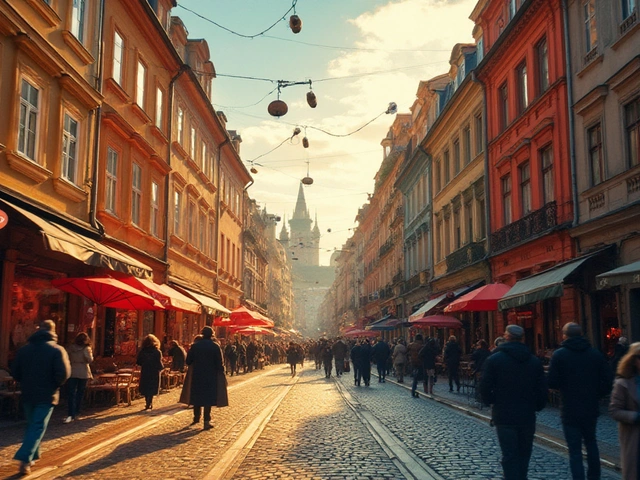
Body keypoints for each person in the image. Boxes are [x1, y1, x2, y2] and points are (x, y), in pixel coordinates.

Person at [480, 324, 547, 480]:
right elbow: (543, 390)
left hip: (503, 415)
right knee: (524, 455)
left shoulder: (495, 359)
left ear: (506, 337)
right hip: (527, 415)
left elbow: (484, 386)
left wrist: (491, 402)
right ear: (522, 339)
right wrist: (536, 406)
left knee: (509, 455)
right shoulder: (534, 361)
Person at [548, 323, 612, 480]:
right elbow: (608, 380)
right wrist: (597, 394)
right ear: (582, 334)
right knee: (591, 443)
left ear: (565, 335)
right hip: (590, 406)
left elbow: (552, 382)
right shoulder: (594, 354)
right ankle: (594, 477)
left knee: (574, 450)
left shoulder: (559, 355)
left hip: (569, 407)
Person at [12, 320, 71, 476]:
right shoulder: (57, 350)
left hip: (28, 393)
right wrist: (54, 384)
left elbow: (15, 372)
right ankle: (25, 459)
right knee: (37, 426)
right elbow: (64, 374)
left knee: (32, 424)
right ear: (53, 331)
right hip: (47, 394)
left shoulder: (24, 350)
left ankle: (33, 456)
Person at [609, 342, 640, 480]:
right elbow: (615, 410)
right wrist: (635, 417)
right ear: (633, 360)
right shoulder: (623, 383)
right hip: (634, 437)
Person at [186, 326, 226, 430]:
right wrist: (222, 374)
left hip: (197, 375)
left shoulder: (195, 346)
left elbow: (188, 361)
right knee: (208, 398)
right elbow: (220, 364)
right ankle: (206, 421)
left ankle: (196, 417)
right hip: (210, 376)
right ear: (212, 334)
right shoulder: (215, 346)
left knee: (197, 396)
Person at [64, 332, 93, 424]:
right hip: (83, 371)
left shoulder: (71, 348)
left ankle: (70, 413)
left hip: (72, 371)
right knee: (80, 393)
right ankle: (77, 412)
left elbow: (66, 358)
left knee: (71, 393)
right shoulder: (86, 349)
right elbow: (90, 359)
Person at [136, 334, 164, 410]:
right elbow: (159, 362)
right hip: (154, 371)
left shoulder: (142, 351)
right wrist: (161, 368)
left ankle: (147, 402)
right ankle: (150, 401)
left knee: (146, 386)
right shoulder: (157, 351)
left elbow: (138, 361)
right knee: (152, 387)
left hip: (145, 370)